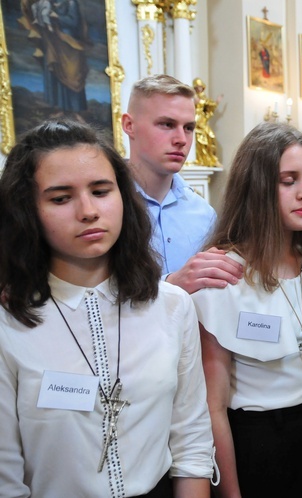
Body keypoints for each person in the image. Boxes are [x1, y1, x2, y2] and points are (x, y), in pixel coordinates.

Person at [0, 119, 214, 497]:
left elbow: (191, 440)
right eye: (60, 198)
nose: (88, 211)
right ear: (26, 211)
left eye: (100, 191)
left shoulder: (171, 306)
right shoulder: (8, 322)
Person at [192, 122, 302, 498]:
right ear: (256, 187)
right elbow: (214, 406)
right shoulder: (223, 276)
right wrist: (231, 493)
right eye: (288, 181)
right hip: (261, 441)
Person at [121, 74, 242, 294]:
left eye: (188, 128)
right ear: (129, 125)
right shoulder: (107, 207)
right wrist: (171, 285)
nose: (181, 139)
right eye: (167, 124)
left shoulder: (203, 214)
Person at [192, 77, 221, 167]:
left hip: (202, 119)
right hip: (195, 118)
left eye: (200, 87)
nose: (199, 89)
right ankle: (200, 159)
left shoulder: (203, 97)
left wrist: (216, 102)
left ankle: (210, 159)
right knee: (199, 139)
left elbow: (209, 105)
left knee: (210, 136)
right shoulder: (193, 97)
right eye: (197, 87)